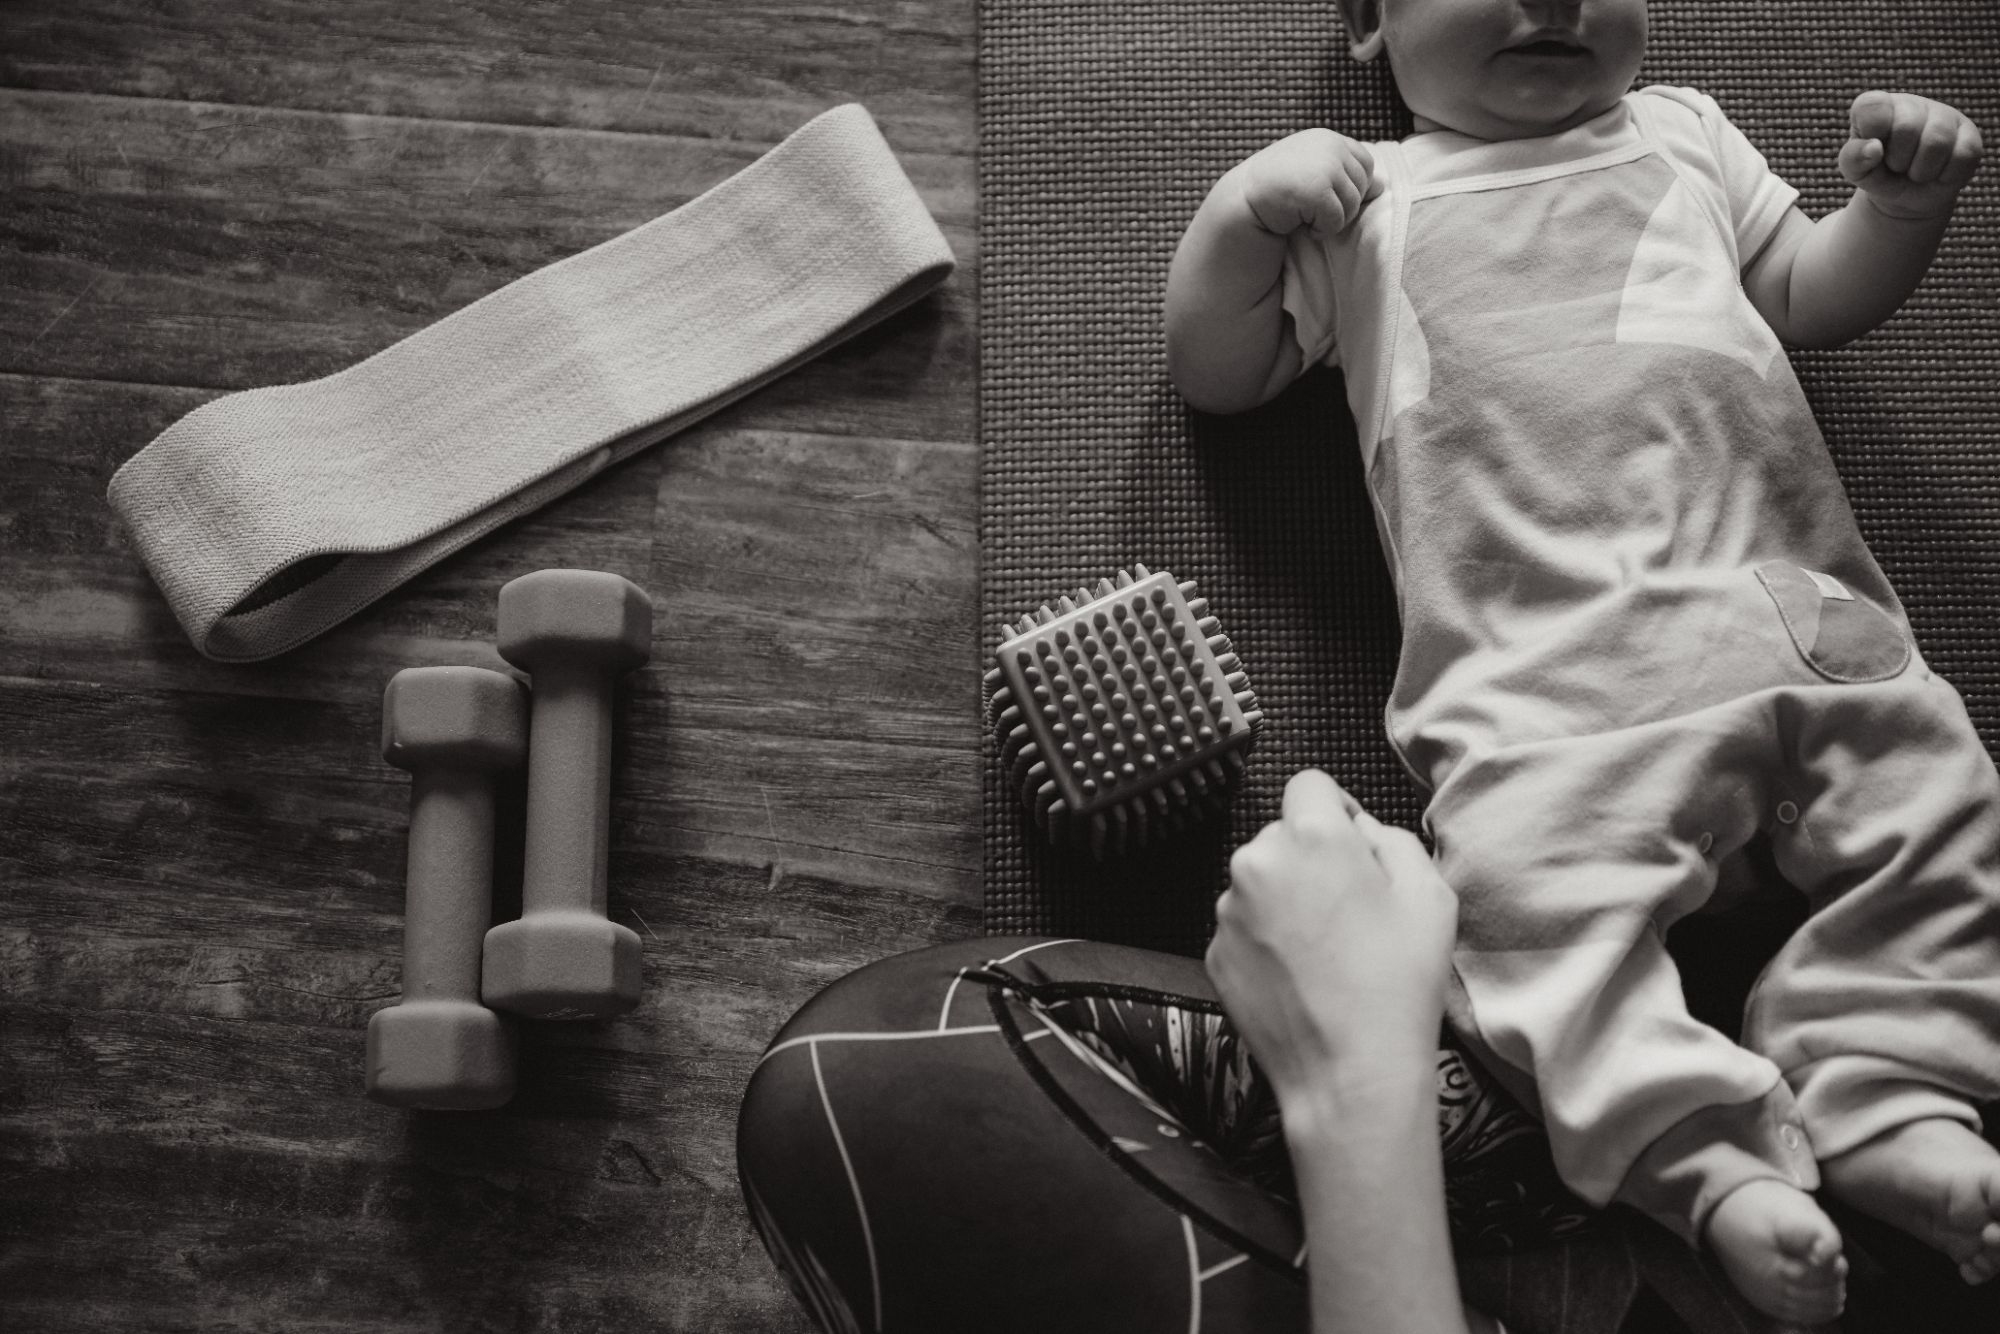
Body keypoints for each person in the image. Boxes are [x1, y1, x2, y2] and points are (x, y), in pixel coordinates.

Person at [1163, 0, 1997, 1322]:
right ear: (1372, 19)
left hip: (1793, 628)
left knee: (1941, 813)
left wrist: (1897, 216)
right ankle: (1705, 1160)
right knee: (1519, 920)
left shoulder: (1686, 136)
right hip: (1544, 695)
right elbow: (1222, 367)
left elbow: (1807, 291)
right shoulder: (1372, 199)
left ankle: (1893, 1087)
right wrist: (1241, 219)